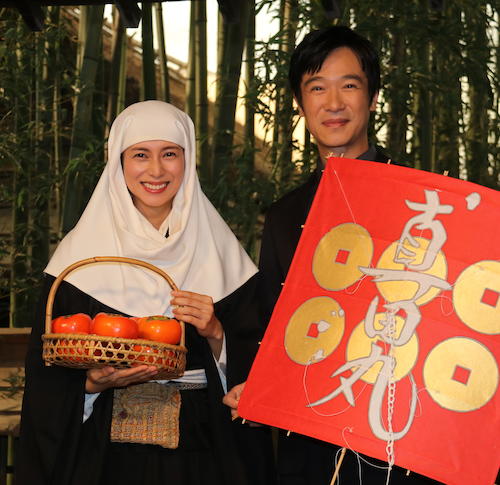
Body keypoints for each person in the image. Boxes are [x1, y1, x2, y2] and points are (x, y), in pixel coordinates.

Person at [16, 101, 275, 485]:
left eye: (170, 154)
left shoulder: (221, 253)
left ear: (188, 160)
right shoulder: (78, 258)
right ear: (118, 162)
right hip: (105, 455)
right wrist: (91, 385)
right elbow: (45, 383)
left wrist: (217, 334)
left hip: (204, 450)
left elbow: (262, 367)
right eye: (140, 154)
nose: (156, 170)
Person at [224, 26, 440, 484]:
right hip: (310, 448)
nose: (334, 103)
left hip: (402, 440)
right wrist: (256, 387)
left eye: (349, 85)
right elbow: (274, 328)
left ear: (373, 97)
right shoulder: (285, 215)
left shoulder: (424, 206)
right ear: (300, 104)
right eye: (317, 88)